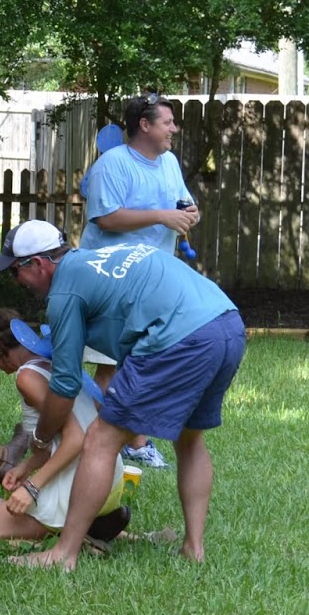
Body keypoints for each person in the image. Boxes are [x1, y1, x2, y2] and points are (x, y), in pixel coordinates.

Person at [0, 219, 245, 566]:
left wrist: (41, 438)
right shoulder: (99, 260)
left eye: (14, 272)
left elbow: (64, 386)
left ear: (38, 264)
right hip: (226, 326)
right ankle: (193, 549)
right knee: (189, 438)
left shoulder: (65, 292)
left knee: (100, 439)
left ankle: (65, 554)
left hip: (179, 339)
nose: (17, 282)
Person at [77, 93, 202, 469]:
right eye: (168, 122)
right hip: (112, 278)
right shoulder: (112, 166)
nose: (174, 129)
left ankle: (132, 441)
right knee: (110, 364)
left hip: (155, 278)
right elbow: (106, 218)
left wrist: (188, 213)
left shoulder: (169, 163)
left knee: (142, 360)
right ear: (144, 126)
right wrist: (161, 217)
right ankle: (103, 438)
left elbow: (180, 203)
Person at [0, 308, 131, 549]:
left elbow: (75, 439)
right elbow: (60, 437)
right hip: (107, 477)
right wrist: (26, 467)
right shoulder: (52, 361)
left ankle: (73, 540)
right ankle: (88, 529)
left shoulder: (27, 378)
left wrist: (32, 487)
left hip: (79, 484)